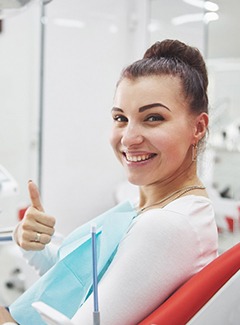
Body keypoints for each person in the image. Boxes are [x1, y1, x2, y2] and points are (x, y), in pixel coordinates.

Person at [0, 39, 218, 325]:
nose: (128, 138)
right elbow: (78, 282)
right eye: (120, 118)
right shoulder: (153, 208)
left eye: (153, 118)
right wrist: (31, 243)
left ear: (198, 127)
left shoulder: (167, 226)